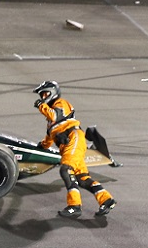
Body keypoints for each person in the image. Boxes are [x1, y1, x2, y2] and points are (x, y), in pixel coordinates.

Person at [33, 80, 115, 218]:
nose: (42, 98)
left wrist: (41, 106)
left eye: (44, 94)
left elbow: (54, 115)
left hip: (73, 138)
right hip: (68, 145)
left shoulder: (61, 103)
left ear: (52, 93)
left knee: (65, 170)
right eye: (41, 95)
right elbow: (49, 137)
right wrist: (41, 146)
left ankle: (74, 206)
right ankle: (106, 200)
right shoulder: (51, 122)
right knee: (82, 178)